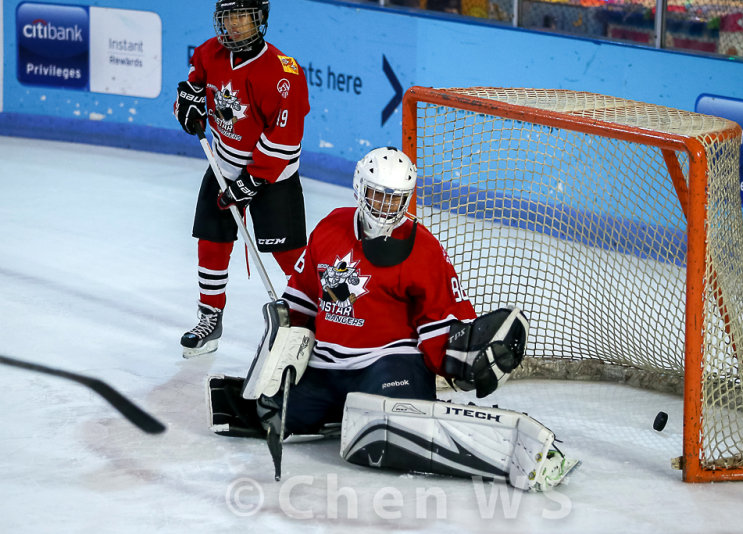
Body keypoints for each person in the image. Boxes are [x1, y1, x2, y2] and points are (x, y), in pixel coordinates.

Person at [206, 148, 578, 491]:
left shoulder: (423, 247)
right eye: (378, 195)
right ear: (359, 188)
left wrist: (458, 363)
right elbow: (302, 298)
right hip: (327, 365)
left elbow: (441, 321)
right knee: (267, 410)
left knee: (392, 429)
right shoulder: (330, 228)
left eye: (395, 198)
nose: (385, 207)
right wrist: (280, 350)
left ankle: (478, 436)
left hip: (388, 363)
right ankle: (345, 409)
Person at [173, 0, 310, 358]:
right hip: (223, 165)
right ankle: (209, 318)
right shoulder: (209, 52)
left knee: (291, 255)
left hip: (273, 178)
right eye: (227, 17)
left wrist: (251, 182)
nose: (233, 25)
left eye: (242, 16)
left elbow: (284, 140)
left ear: (260, 19)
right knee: (211, 240)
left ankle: (319, 319)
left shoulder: (284, 75)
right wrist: (185, 106)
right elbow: (192, 89)